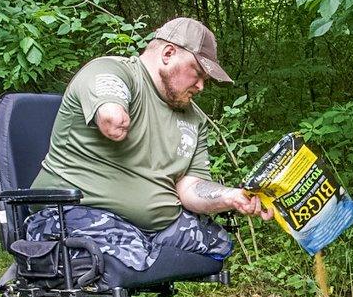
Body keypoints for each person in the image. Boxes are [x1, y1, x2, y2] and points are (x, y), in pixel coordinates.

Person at [26, 17, 271, 271]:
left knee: (217, 242)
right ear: (168, 53)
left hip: (150, 228)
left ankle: (146, 248)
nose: (200, 86)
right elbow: (109, 98)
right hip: (71, 213)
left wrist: (232, 196)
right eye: (197, 73)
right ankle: (132, 251)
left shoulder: (194, 118)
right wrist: (112, 111)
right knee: (134, 251)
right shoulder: (114, 71)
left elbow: (190, 186)